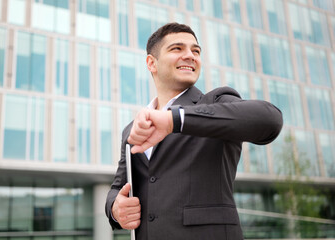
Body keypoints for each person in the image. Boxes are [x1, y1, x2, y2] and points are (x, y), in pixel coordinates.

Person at [105, 22, 283, 240]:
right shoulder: (132, 130)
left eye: (195, 51)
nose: (190, 55)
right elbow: (117, 187)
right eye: (177, 48)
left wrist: (174, 120)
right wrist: (115, 207)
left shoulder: (216, 102)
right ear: (152, 63)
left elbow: (269, 119)